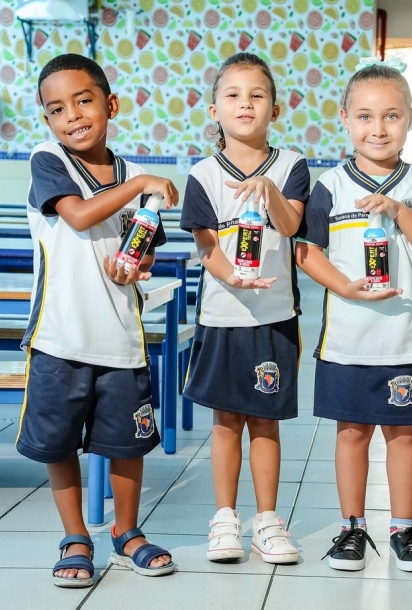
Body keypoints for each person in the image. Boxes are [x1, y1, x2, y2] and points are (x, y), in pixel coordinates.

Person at [17, 53, 178, 587]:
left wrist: (139, 263)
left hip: (121, 339)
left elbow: (143, 250)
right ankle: (76, 536)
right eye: (57, 108)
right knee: (58, 442)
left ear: (109, 104)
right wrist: (143, 186)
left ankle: (127, 531)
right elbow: (81, 214)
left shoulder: (133, 176)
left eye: (84, 101)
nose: (73, 116)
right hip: (61, 335)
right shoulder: (49, 160)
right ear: (47, 120)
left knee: (126, 445)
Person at [295, 56, 412, 572]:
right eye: (364, 116)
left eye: (391, 115)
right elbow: (307, 251)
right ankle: (352, 527)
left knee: (403, 434)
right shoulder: (330, 187)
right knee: (351, 433)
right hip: (346, 337)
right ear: (345, 118)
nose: (377, 128)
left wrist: (401, 213)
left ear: (410, 118)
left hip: (404, 340)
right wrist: (346, 287)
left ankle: (404, 528)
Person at [179, 52, 310, 564]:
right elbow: (206, 245)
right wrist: (231, 275)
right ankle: (225, 518)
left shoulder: (292, 164)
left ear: (275, 109)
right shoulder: (203, 173)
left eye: (257, 95)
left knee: (266, 422)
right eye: (233, 95)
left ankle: (268, 521)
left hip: (275, 317)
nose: (245, 104)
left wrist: (270, 190)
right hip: (222, 316)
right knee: (225, 421)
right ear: (214, 110)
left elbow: (293, 225)